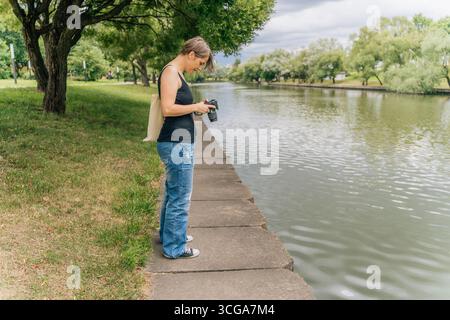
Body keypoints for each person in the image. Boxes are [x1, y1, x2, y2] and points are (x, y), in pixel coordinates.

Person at [157, 36, 215, 259]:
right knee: (181, 196)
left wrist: (196, 109)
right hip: (176, 144)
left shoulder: (176, 73)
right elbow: (168, 109)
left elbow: (178, 107)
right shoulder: (171, 72)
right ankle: (175, 248)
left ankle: (168, 235)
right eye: (200, 63)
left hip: (176, 142)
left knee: (174, 193)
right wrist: (195, 106)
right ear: (192, 54)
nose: (198, 68)